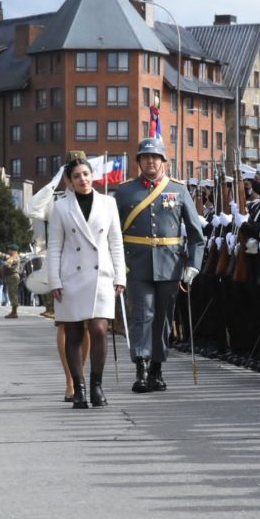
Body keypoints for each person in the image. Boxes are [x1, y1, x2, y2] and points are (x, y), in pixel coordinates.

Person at [114, 138, 206, 393]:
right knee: (142, 315)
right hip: (136, 265)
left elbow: (197, 235)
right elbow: (112, 232)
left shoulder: (179, 190)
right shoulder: (124, 192)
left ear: (164, 161)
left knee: (163, 319)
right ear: (139, 161)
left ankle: (157, 368)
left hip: (170, 265)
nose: (150, 161)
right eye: (145, 157)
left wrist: (193, 265)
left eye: (155, 157)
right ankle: (141, 369)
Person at [48, 157, 125, 408]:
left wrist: (120, 275)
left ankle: (96, 386)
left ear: (93, 175)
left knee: (100, 330)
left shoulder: (108, 203)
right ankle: (78, 388)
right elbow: (54, 246)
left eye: (86, 174)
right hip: (71, 276)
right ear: (69, 181)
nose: (83, 179)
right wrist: (54, 280)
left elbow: (115, 241)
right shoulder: (60, 206)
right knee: (73, 333)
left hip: (101, 273)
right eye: (77, 176)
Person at [3, 244, 22, 318]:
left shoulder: (15, 258)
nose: (8, 251)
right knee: (11, 294)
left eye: (10, 250)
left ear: (13, 251)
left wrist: (5, 264)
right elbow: (7, 258)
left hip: (13, 276)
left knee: (13, 294)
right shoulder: (13, 257)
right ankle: (13, 311)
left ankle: (14, 312)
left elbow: (7, 264)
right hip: (11, 276)